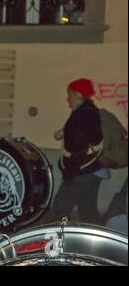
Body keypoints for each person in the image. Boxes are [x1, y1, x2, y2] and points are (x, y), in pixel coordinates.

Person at [49, 78, 106, 225]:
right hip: (92, 171)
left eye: (69, 95)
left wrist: (69, 173)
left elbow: (79, 147)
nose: (67, 99)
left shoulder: (81, 115)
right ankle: (97, 246)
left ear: (77, 95)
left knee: (59, 211)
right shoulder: (90, 111)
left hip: (81, 172)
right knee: (89, 214)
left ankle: (52, 245)